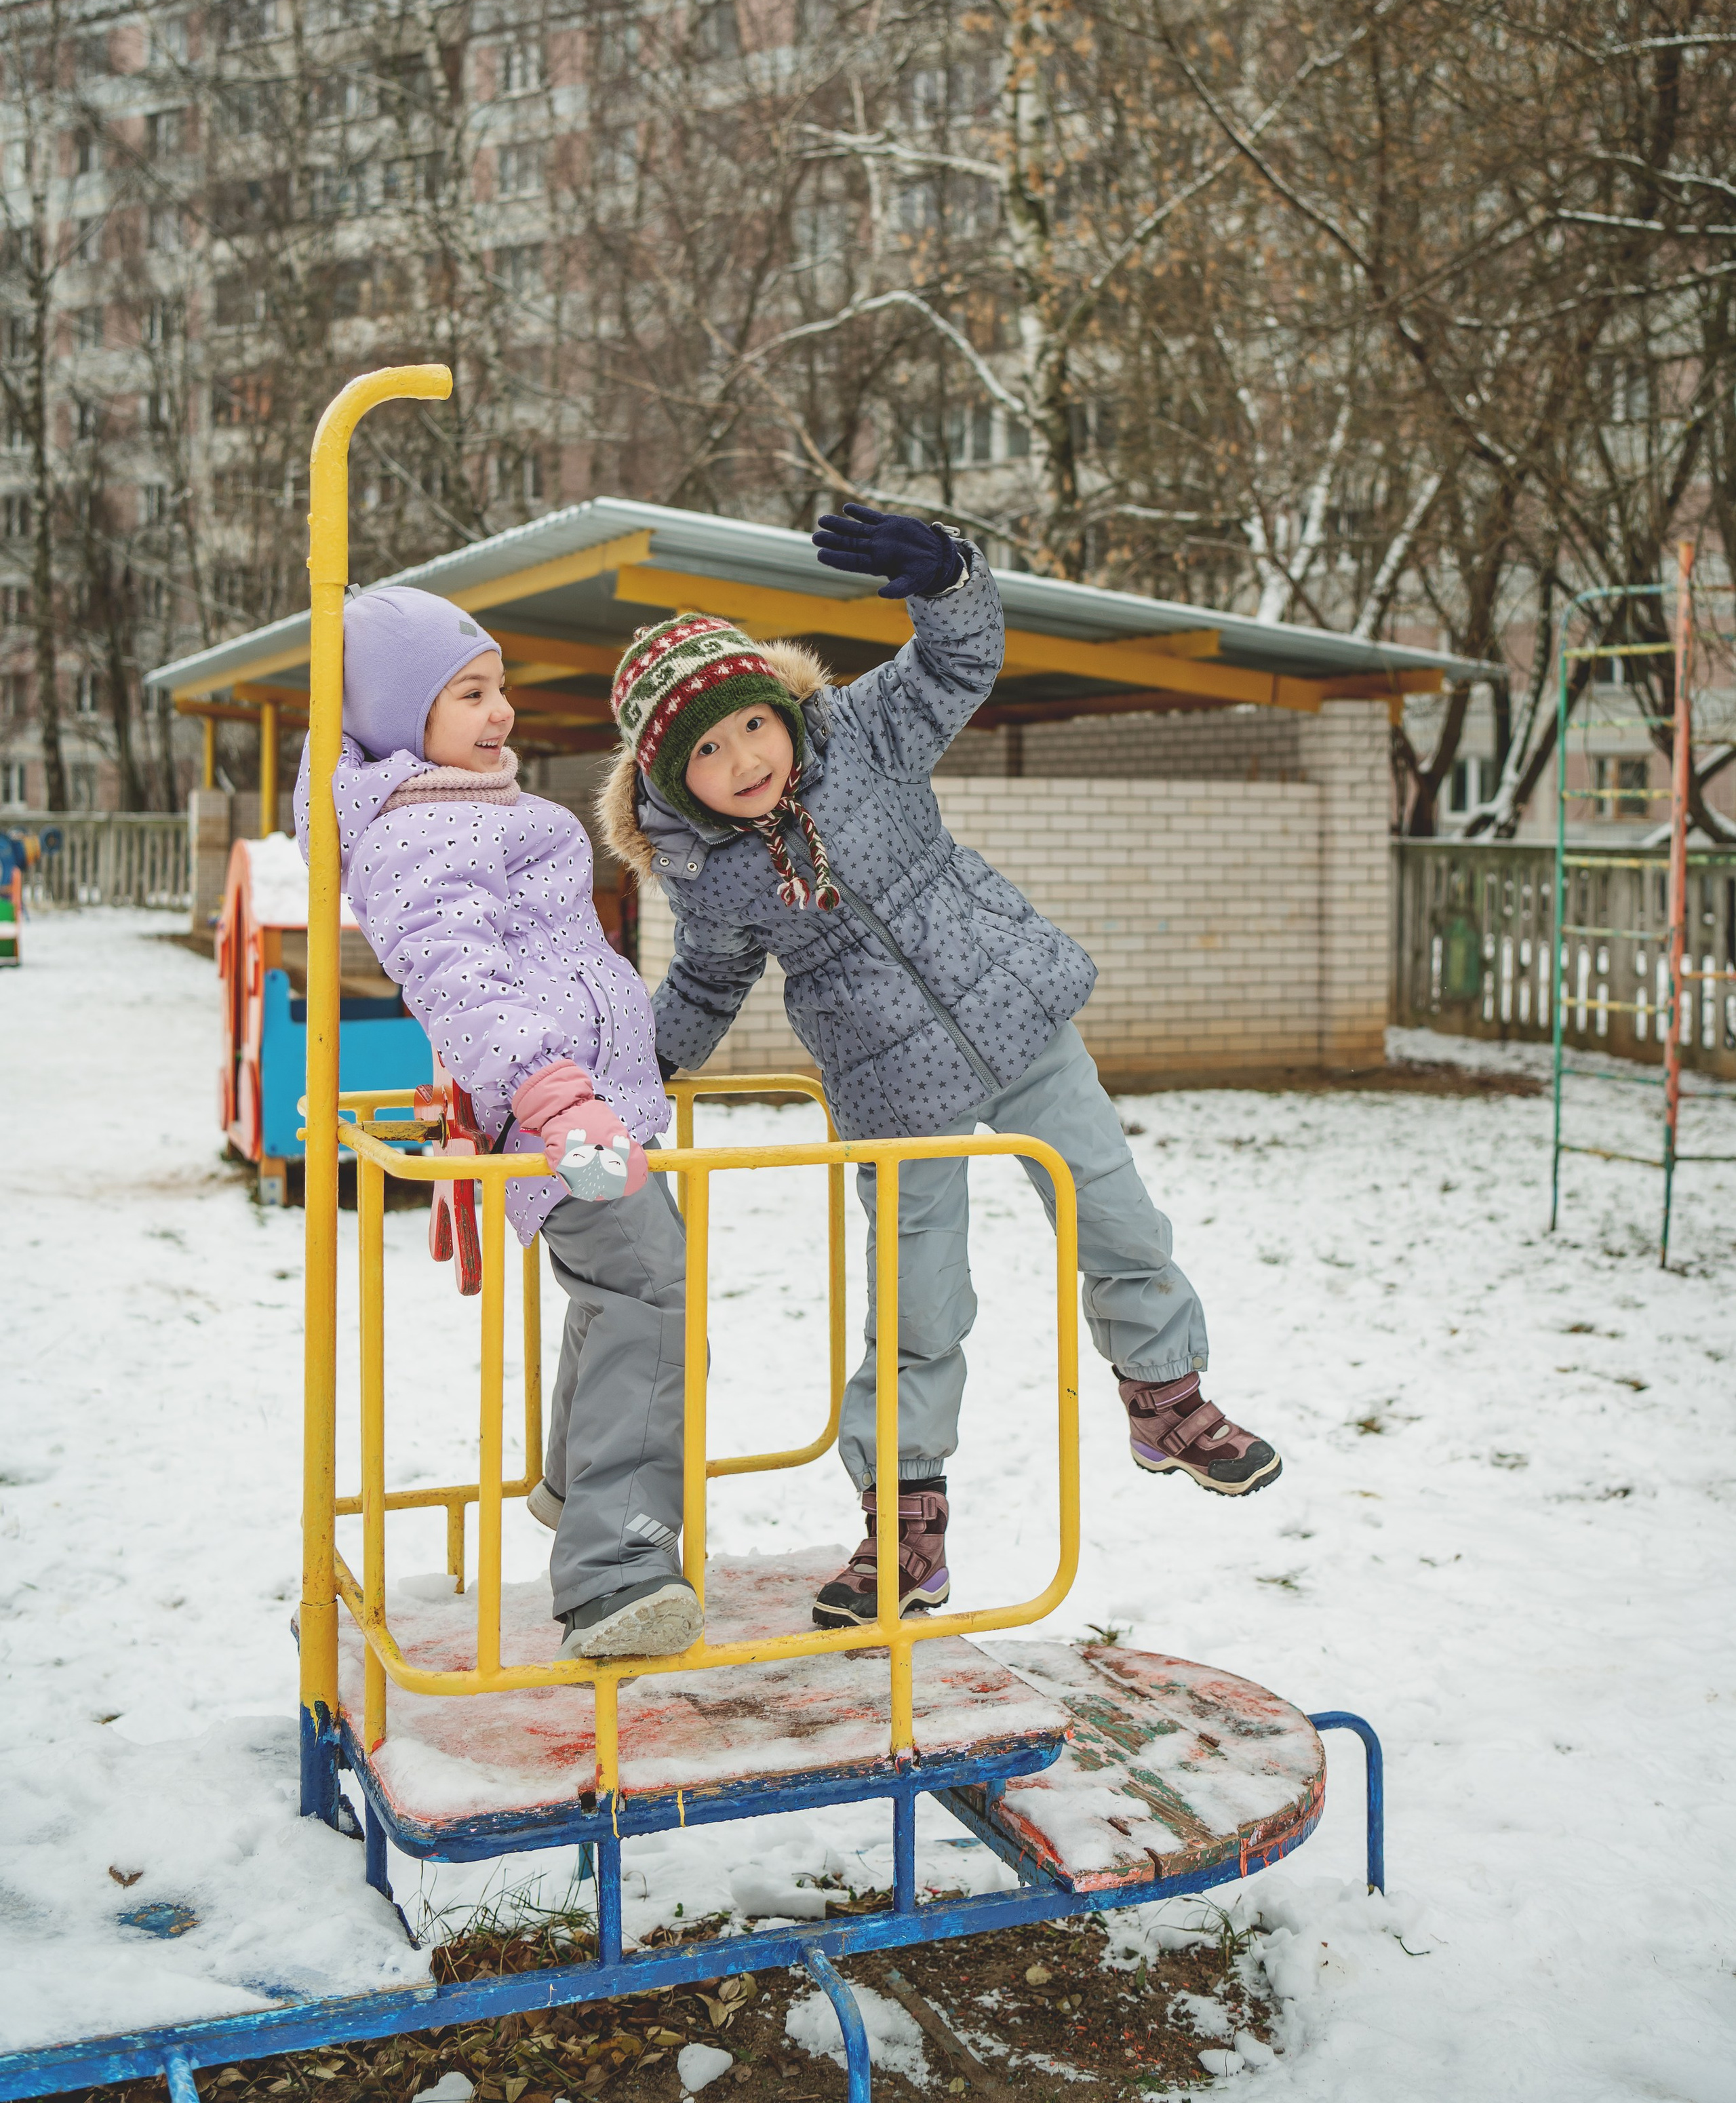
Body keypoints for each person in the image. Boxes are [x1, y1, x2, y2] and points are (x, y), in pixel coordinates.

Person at [601, 506, 1282, 1631]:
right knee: (918, 1305)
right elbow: (707, 988)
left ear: (778, 706)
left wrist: (950, 578)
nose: (743, 763)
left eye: (749, 729)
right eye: (707, 756)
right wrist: (627, 1077)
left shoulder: (864, 735)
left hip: (1019, 1021)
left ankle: (1169, 1402)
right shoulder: (708, 877)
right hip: (888, 1088)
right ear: (675, 780)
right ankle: (907, 1528)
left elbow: (958, 658)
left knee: (1115, 1214)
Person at [293, 583, 698, 1663]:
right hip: (554, 1112)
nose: (501, 711)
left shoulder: (464, 806)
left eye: (500, 687)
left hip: (581, 1099)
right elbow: (458, 978)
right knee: (648, 1287)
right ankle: (614, 1573)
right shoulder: (420, 831)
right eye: (469, 692)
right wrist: (553, 1090)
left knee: (632, 1289)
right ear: (396, 716)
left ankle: (581, 1491)